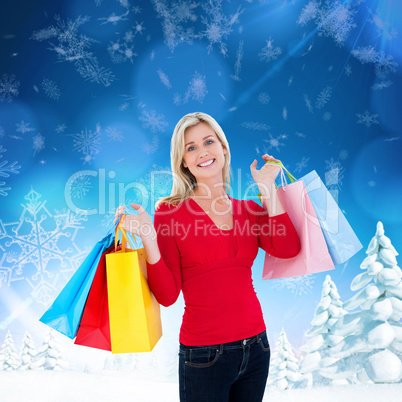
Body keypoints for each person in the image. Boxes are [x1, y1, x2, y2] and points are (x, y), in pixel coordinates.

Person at [114, 112, 300, 401]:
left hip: (257, 348)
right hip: (203, 356)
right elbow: (167, 295)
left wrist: (267, 189)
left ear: (223, 149)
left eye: (209, 141)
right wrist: (149, 238)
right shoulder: (169, 213)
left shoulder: (249, 209)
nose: (202, 152)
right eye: (191, 147)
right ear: (183, 162)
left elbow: (289, 249)